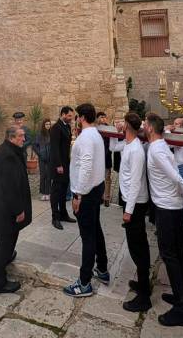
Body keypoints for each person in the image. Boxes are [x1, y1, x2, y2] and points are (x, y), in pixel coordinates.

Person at [145, 112, 183, 326]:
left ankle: (181, 309)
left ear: (150, 128)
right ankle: (181, 296)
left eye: (145, 124)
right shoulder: (161, 144)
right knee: (178, 252)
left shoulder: (156, 149)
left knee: (169, 254)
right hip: (172, 205)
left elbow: (175, 176)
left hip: (167, 207)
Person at [63, 103, 108, 298]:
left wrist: (78, 195)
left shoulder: (87, 137)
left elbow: (86, 166)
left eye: (77, 117)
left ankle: (84, 283)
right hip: (96, 188)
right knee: (95, 229)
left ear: (81, 117)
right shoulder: (95, 134)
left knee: (88, 236)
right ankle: (102, 268)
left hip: (87, 192)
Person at [112, 113, 152, 312]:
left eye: (123, 122)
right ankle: (143, 283)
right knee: (135, 244)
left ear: (127, 125)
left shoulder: (136, 149)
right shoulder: (128, 144)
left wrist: (128, 211)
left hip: (135, 203)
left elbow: (136, 181)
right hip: (129, 200)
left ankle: (144, 297)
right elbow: (113, 147)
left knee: (138, 247)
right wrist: (115, 131)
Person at [0, 126, 32, 294]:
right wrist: (18, 210)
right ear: (11, 138)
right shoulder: (7, 155)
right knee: (4, 242)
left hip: (5, 208)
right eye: (20, 136)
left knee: (8, 239)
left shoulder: (9, 150)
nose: (24, 139)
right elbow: (10, 187)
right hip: (5, 210)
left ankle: (6, 257)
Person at [49, 106, 77, 229]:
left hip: (66, 163)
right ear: (63, 114)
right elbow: (54, 148)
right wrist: (58, 165)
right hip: (58, 165)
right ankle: (55, 217)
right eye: (69, 116)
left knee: (64, 190)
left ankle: (63, 214)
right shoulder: (56, 128)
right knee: (56, 192)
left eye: (72, 116)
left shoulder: (67, 126)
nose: (71, 118)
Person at [32, 118, 52, 201]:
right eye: (46, 124)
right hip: (42, 158)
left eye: (49, 124)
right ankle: (43, 193)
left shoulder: (52, 134)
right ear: (44, 125)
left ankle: (48, 193)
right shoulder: (39, 135)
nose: (48, 126)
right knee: (43, 175)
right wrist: (40, 153)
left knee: (49, 176)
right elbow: (34, 146)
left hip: (50, 158)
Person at [96, 111, 114, 206]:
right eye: (101, 117)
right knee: (98, 178)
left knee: (107, 178)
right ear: (97, 118)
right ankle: (99, 197)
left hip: (106, 157)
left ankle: (106, 198)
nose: (103, 119)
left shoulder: (109, 129)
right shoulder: (95, 129)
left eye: (104, 117)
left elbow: (111, 143)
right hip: (97, 158)